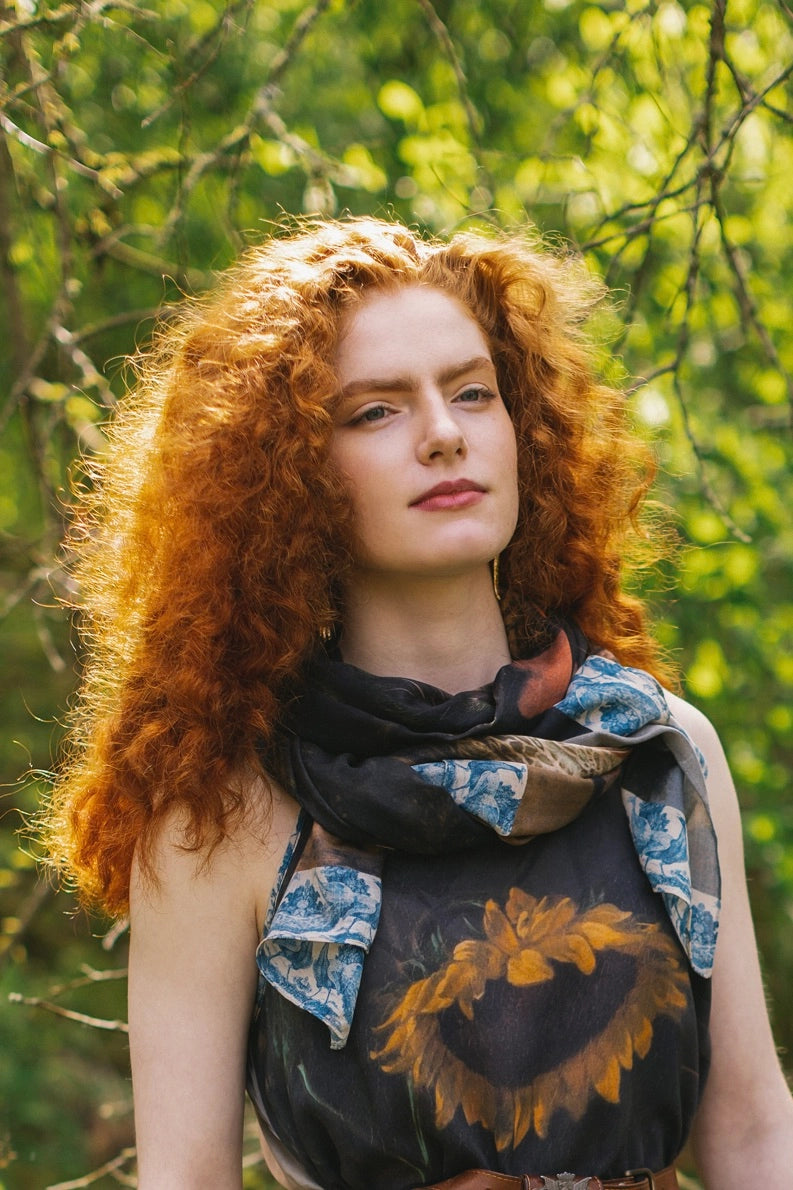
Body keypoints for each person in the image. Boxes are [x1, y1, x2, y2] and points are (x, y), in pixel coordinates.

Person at [44, 216, 793, 1190]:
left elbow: (748, 1128)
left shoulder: (658, 750)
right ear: (288, 473)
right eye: (374, 411)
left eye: (472, 392)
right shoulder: (219, 812)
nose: (444, 432)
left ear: (520, 425)